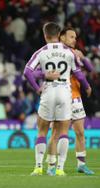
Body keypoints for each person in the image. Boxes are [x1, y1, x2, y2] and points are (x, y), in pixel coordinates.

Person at [23, 22, 91, 176]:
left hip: (48, 91)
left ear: (45, 35)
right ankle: (60, 169)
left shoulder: (41, 52)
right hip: (65, 92)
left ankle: (39, 167)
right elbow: (79, 74)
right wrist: (87, 86)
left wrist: (37, 87)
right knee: (63, 131)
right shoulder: (69, 52)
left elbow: (27, 72)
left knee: (42, 131)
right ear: (59, 34)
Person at [45, 27, 95, 175]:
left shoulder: (74, 53)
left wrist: (83, 57)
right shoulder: (59, 53)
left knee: (80, 132)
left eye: (75, 37)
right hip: (60, 97)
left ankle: (81, 164)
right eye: (71, 37)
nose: (75, 39)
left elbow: (90, 69)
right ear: (62, 38)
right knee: (56, 133)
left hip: (75, 97)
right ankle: (51, 166)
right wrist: (87, 85)